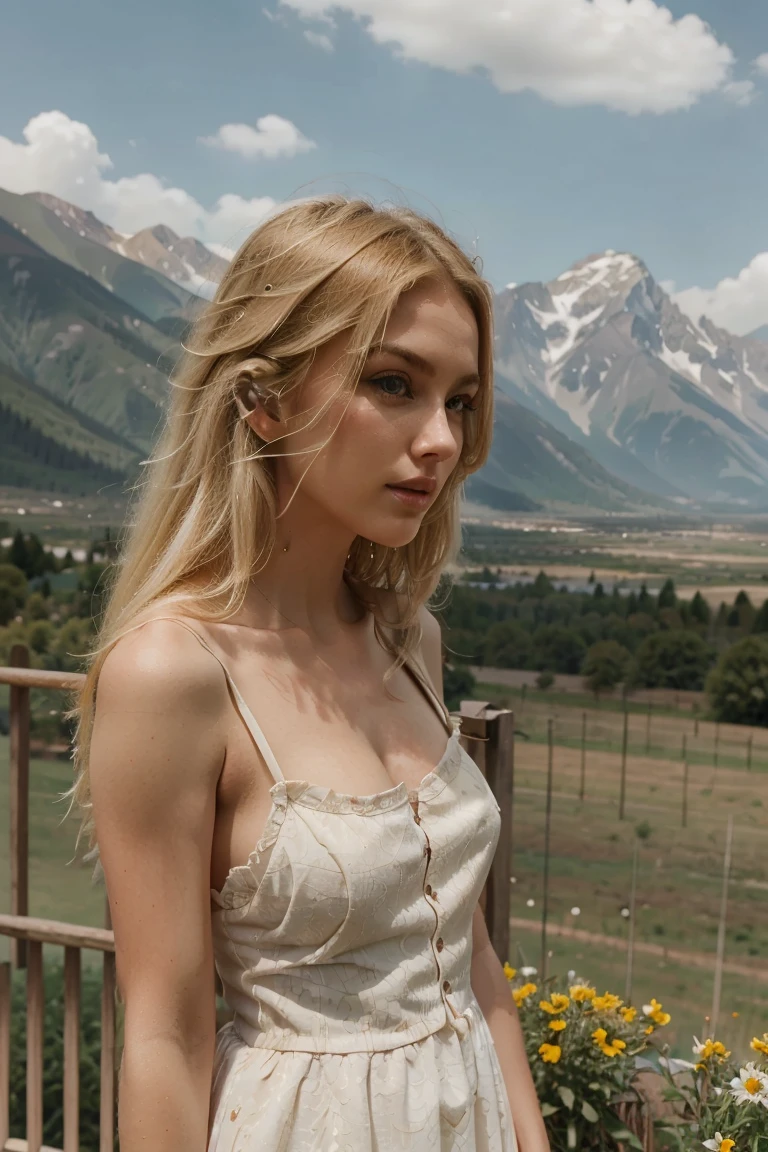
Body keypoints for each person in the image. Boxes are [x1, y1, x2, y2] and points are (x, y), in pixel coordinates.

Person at [66, 196, 550, 1151]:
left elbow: (466, 950)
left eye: (458, 399)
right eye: (393, 383)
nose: (444, 441)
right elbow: (165, 1032)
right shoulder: (171, 674)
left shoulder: (411, 642)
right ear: (262, 397)